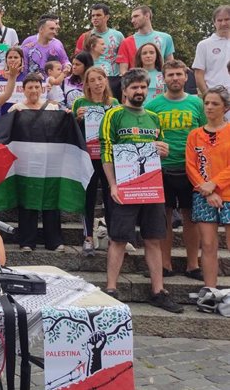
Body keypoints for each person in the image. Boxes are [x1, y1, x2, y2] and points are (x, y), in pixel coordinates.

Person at [99, 68, 182, 313]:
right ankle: (111, 289)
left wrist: (163, 150)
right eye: (134, 87)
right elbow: (106, 151)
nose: (139, 91)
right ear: (124, 90)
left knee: (154, 238)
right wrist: (113, 184)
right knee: (118, 239)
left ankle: (158, 291)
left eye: (143, 87)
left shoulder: (154, 118)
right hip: (124, 186)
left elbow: (161, 149)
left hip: (151, 186)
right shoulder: (113, 115)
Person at [146, 60, 205, 279]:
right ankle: (165, 264)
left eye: (179, 74)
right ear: (163, 78)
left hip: (191, 168)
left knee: (191, 218)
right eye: (170, 75)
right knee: (165, 218)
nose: (175, 78)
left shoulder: (197, 104)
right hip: (162, 168)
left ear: (186, 77)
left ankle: (193, 264)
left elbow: (206, 132)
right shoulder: (153, 106)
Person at [8, 73, 64, 252]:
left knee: (51, 201)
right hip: (26, 163)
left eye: (36, 87)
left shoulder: (53, 109)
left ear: (42, 89)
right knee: (27, 201)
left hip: (50, 162)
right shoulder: (16, 108)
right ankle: (26, 242)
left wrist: (69, 116)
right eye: (29, 87)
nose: (33, 90)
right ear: (23, 90)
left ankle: (54, 241)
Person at [185, 86, 230, 290]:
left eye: (215, 104)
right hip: (202, 194)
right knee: (209, 244)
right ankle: (210, 290)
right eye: (207, 103)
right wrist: (208, 190)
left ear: (226, 108)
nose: (209, 107)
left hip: (227, 193)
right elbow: (191, 165)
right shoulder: (195, 134)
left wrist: (216, 184)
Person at [73, 66, 120, 255]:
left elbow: (118, 128)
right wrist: (77, 118)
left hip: (108, 157)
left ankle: (112, 237)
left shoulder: (115, 102)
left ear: (106, 80)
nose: (97, 83)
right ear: (87, 84)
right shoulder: (80, 102)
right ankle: (88, 238)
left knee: (110, 198)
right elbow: (72, 130)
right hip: (87, 157)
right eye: (92, 80)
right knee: (88, 197)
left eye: (100, 79)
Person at [74, 3, 124, 98]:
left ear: (107, 17)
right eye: (93, 15)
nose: (95, 18)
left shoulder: (118, 35)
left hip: (113, 79)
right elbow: (78, 62)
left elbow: (123, 58)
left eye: (98, 15)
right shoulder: (85, 37)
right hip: (92, 81)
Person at [117, 5, 175, 73]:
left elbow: (171, 64)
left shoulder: (165, 38)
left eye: (136, 16)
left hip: (160, 81)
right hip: (137, 81)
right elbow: (123, 71)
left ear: (147, 16)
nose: (132, 20)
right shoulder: (126, 42)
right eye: (132, 18)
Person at [193, 5, 230, 97]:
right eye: (219, 20)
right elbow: (198, 74)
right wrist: (208, 96)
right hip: (216, 99)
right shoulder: (204, 45)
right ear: (214, 22)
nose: (223, 23)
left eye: (227, 19)